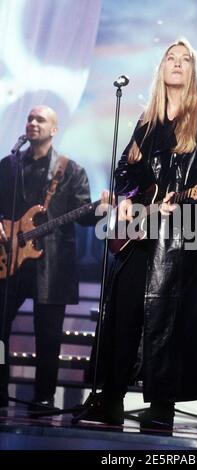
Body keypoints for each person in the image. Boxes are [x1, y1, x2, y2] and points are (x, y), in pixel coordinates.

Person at [87, 38, 197, 431]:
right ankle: (110, 399)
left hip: (181, 238)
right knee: (124, 309)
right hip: (139, 232)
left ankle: (161, 406)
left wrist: (179, 202)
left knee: (168, 317)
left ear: (194, 72)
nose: (178, 64)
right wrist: (130, 197)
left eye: (185, 60)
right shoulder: (147, 123)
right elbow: (125, 169)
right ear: (162, 69)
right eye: (171, 58)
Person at [0, 105, 107, 411]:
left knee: (48, 336)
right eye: (30, 118)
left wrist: (101, 208)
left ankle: (43, 397)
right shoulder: (8, 166)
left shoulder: (70, 171)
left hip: (52, 265)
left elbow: (86, 217)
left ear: (54, 129)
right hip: (9, 260)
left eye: (40, 119)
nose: (33, 123)